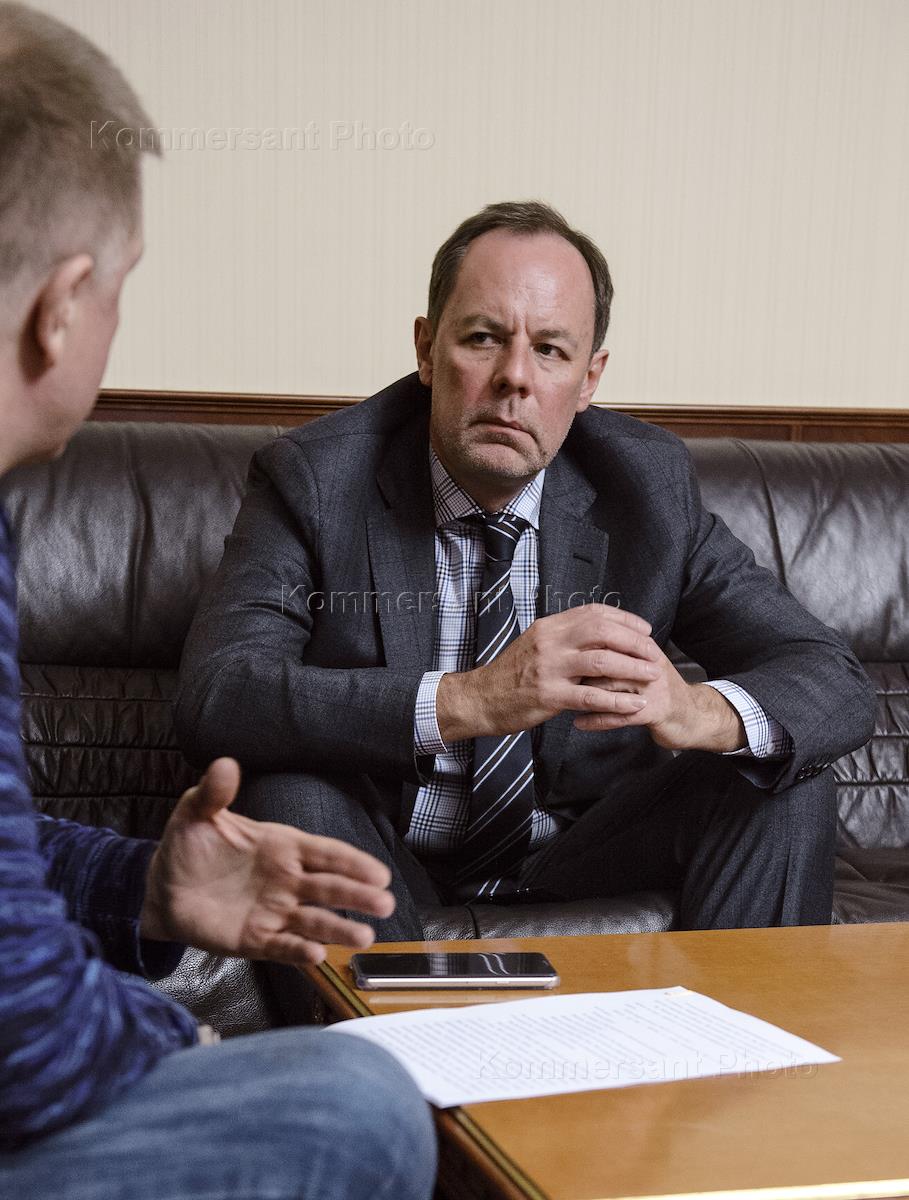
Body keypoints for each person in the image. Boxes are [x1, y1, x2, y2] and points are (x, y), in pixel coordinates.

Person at [176, 205, 875, 954]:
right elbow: (219, 694)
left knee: (780, 776)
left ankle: (731, 1033)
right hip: (384, 856)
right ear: (426, 349)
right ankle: (394, 1031)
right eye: (483, 338)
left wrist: (694, 709)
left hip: (581, 854)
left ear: (588, 379)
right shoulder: (317, 479)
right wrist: (471, 699)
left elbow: (829, 676)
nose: (514, 377)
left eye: (549, 350)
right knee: (288, 796)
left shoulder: (645, 489)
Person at [0, 5, 436, 1197]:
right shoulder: (316, 476)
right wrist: (179, 1042)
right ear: (63, 305)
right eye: (122, 286)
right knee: (355, 1103)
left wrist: (142, 887)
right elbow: (20, 1027)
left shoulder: (644, 489)